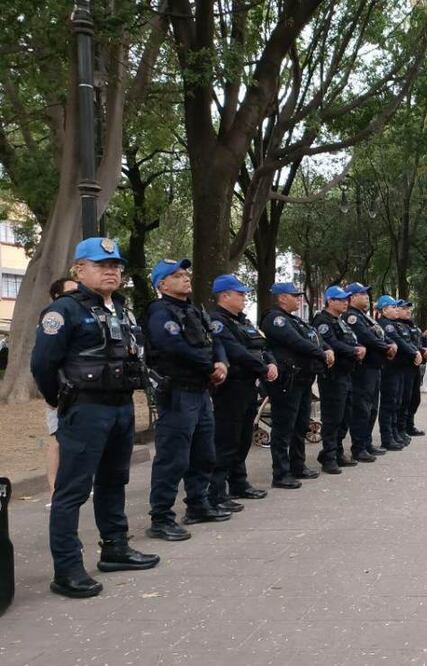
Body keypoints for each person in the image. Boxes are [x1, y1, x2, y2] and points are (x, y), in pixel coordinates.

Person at [31, 237, 159, 598]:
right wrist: (59, 401)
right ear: (79, 269)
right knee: (72, 491)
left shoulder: (121, 308)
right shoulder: (65, 311)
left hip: (120, 407)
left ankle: (115, 548)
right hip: (84, 408)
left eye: (116, 266)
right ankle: (67, 568)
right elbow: (42, 364)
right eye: (102, 265)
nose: (111, 272)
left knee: (113, 481)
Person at [144, 258, 231, 541]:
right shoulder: (159, 311)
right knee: (173, 456)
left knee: (203, 452)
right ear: (162, 284)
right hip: (178, 392)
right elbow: (173, 347)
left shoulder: (194, 310)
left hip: (200, 391)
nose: (185, 278)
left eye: (186, 274)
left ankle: (197, 504)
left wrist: (222, 363)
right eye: (177, 275)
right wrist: (210, 367)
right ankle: (161, 517)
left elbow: (215, 341)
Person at [208, 274, 276, 511]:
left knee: (244, 436)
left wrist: (270, 362)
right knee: (227, 439)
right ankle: (216, 491)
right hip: (231, 387)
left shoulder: (244, 321)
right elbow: (235, 351)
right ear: (224, 296)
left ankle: (238, 482)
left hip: (249, 385)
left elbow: (261, 345)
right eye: (240, 294)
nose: (244, 298)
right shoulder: (217, 321)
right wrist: (263, 367)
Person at [261, 283, 333, 489]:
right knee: (284, 427)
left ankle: (297, 465)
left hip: (302, 380)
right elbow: (295, 342)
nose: (298, 299)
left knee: (300, 425)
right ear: (282, 298)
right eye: (294, 295)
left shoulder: (295, 320)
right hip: (287, 381)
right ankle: (281, 473)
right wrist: (321, 353)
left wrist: (326, 348)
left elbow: (315, 337)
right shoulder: (275, 319)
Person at [311, 286, 365, 474]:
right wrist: (354, 351)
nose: (345, 303)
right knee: (333, 417)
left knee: (345, 416)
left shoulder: (340, 321)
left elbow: (349, 339)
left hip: (346, 373)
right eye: (341, 300)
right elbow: (332, 343)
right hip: (333, 376)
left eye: (346, 299)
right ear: (330, 301)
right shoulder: (322, 321)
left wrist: (358, 347)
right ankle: (329, 456)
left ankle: (337, 451)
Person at [344, 282, 395, 460]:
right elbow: (367, 337)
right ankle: (358, 447)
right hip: (363, 369)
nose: (366, 296)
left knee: (372, 408)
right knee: (362, 408)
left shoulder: (365, 316)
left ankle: (366, 443)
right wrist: (386, 347)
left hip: (374, 367)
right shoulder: (352, 317)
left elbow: (379, 333)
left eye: (366, 293)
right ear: (352, 297)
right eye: (362, 293)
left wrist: (390, 343)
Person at [44, 277, 80, 502]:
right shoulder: (52, 318)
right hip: (58, 390)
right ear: (57, 297)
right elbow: (43, 361)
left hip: (80, 391)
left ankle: (74, 485)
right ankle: (54, 489)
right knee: (57, 438)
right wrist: (50, 393)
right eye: (71, 292)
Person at [377, 298, 423, 444]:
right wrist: (415, 353)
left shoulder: (395, 324)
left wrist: (418, 351)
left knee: (398, 401)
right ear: (384, 310)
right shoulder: (386, 325)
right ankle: (388, 436)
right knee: (389, 402)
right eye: (394, 307)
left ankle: (395, 432)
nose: (397, 309)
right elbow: (399, 341)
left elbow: (410, 341)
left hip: (400, 368)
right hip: (391, 368)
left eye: (398, 307)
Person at [398, 301, 427, 437]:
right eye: (404, 309)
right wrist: (417, 352)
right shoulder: (396, 326)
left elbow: (418, 343)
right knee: (405, 397)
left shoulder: (412, 325)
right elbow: (403, 344)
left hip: (415, 366)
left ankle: (410, 424)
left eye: (408, 308)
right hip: (404, 366)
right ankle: (401, 427)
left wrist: (424, 350)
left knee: (415, 398)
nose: (408, 311)